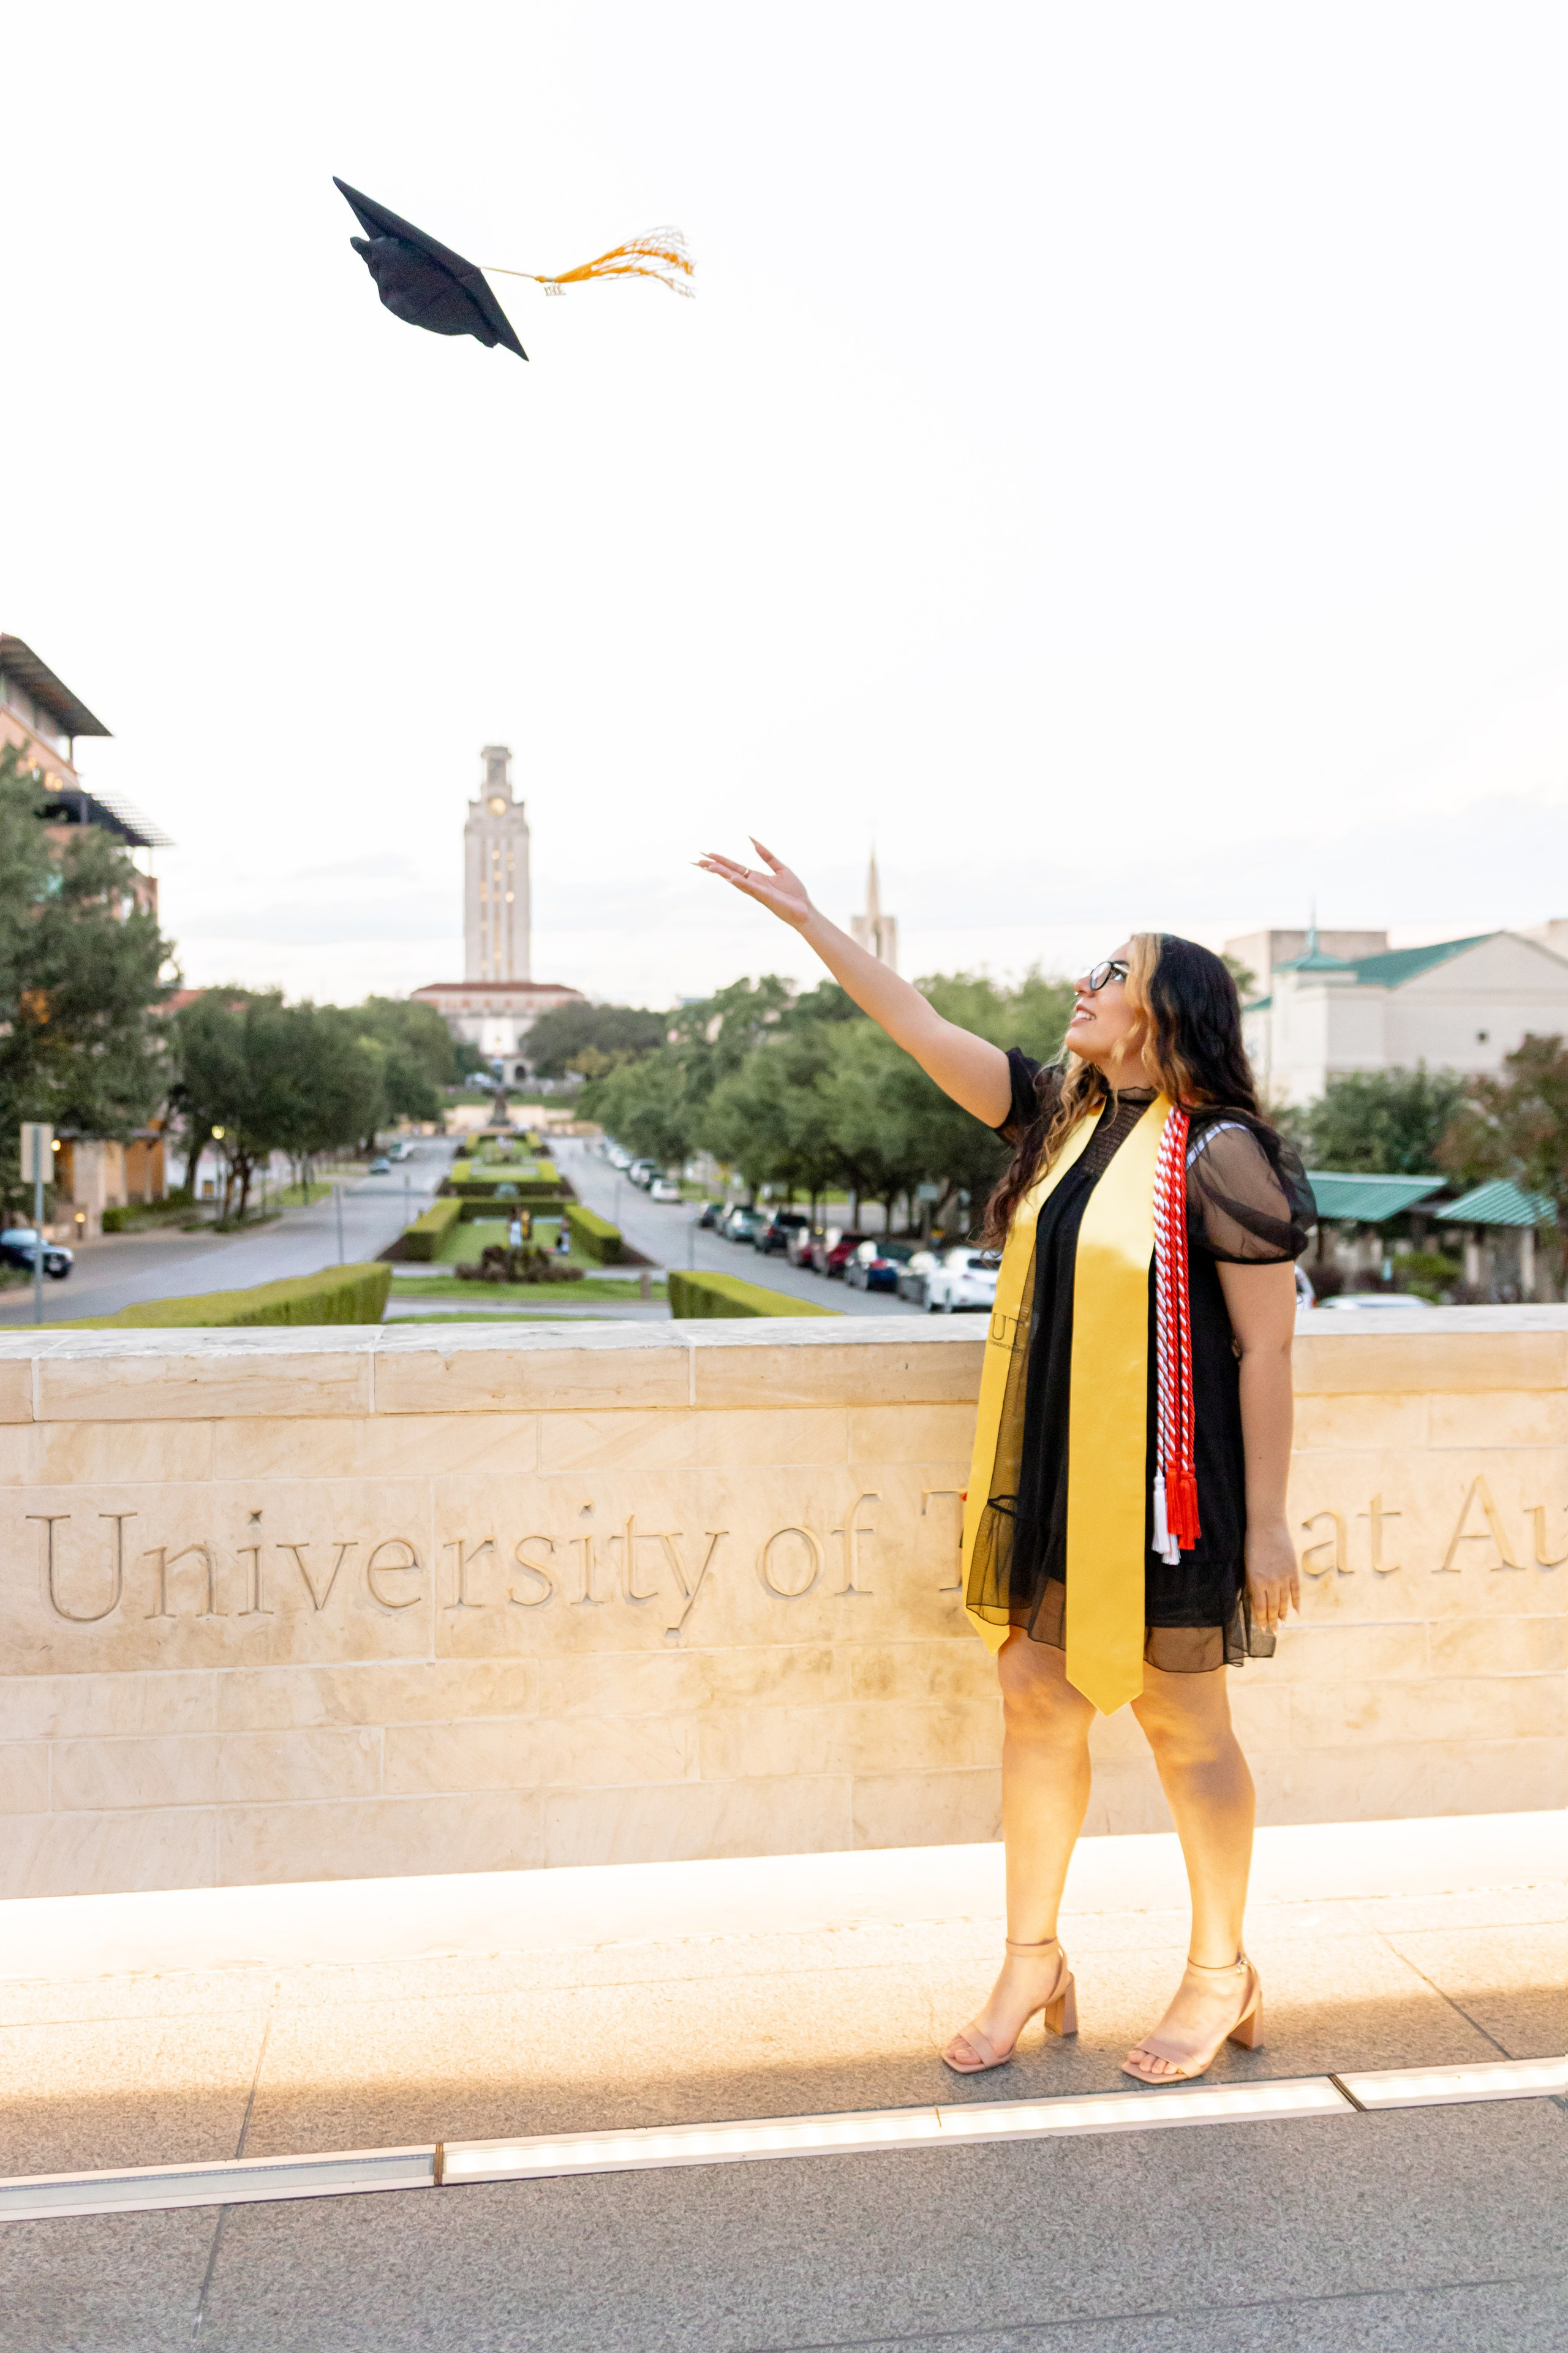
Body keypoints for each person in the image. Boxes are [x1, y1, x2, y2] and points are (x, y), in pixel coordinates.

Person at [697, 839, 1312, 2084]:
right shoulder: (1057, 1117)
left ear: (1162, 1015)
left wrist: (1267, 1526)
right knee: (1032, 1703)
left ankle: (1218, 1968)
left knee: (1183, 1727)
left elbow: (1262, 1350)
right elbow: (917, 1026)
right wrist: (811, 923)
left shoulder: (1220, 1152)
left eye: (1109, 974)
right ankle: (1030, 1957)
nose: (1080, 988)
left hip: (1167, 1496)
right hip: (1046, 1475)